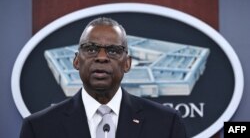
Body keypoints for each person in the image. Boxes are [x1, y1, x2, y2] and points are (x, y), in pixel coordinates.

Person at [20, 17, 188, 138]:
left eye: (113, 51)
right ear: (77, 61)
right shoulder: (39, 128)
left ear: (127, 64)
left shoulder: (166, 123)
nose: (101, 57)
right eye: (91, 49)